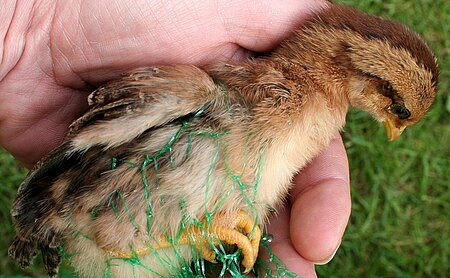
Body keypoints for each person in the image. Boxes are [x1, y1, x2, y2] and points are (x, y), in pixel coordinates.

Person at [0, 1, 351, 276]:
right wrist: (35, 17)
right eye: (399, 114)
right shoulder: (201, 94)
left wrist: (30, 19)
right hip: (111, 227)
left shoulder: (306, 116)